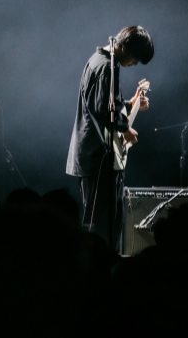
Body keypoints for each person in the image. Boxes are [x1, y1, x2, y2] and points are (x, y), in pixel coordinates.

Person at [66, 25, 153, 253]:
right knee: (101, 230)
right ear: (124, 47)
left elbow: (109, 104)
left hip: (98, 158)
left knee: (107, 226)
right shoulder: (106, 66)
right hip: (98, 159)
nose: (134, 64)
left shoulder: (104, 63)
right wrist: (125, 129)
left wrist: (132, 103)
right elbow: (102, 110)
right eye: (135, 59)